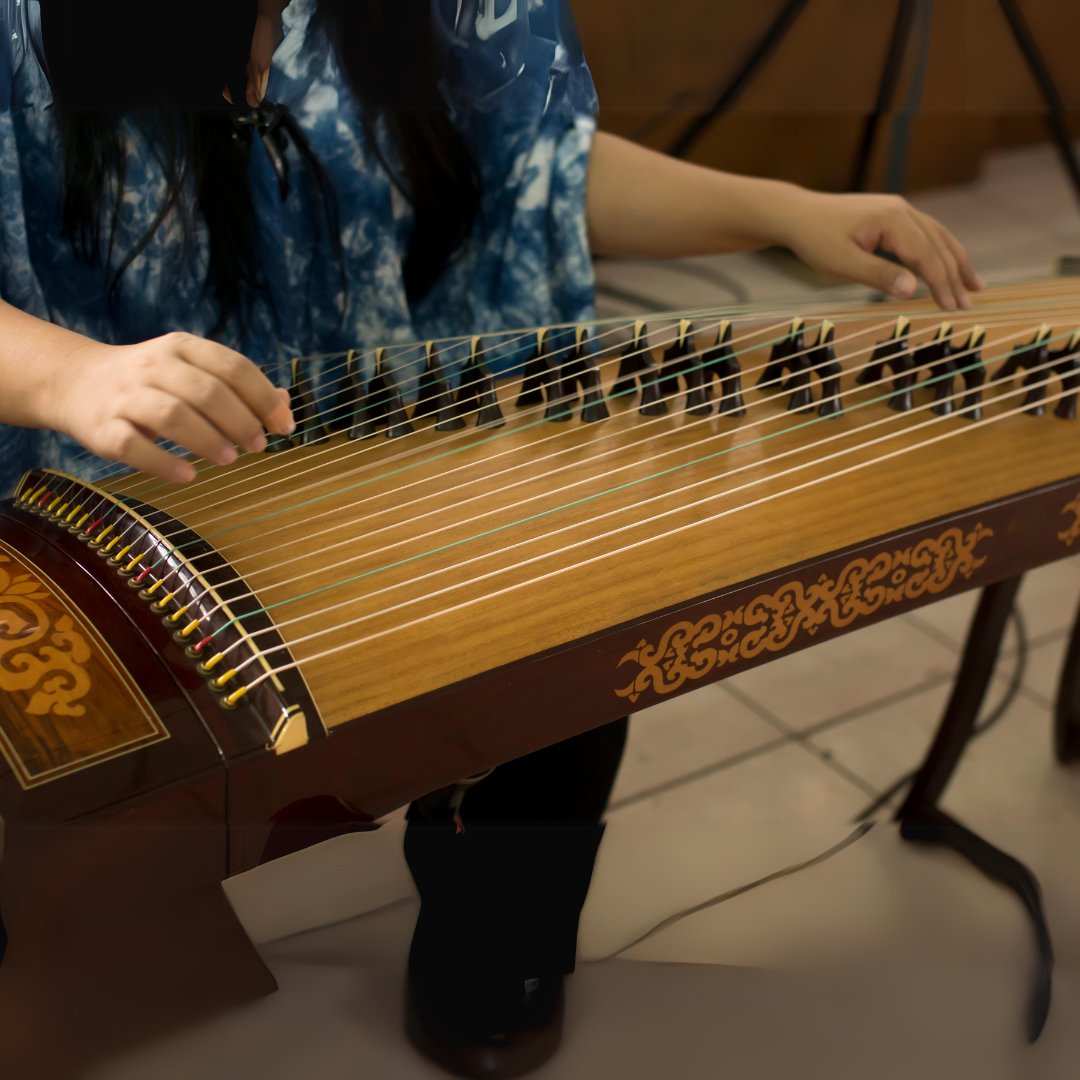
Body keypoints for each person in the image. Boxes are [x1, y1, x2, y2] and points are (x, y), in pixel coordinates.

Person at [0, 1, 981, 1076]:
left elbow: (527, 166)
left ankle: (493, 949)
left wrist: (780, 209)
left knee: (578, 604)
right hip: (88, 492)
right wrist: (65, 373)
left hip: (384, 425)